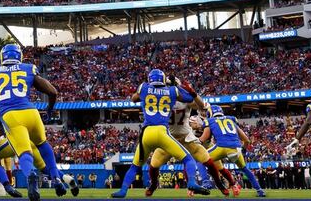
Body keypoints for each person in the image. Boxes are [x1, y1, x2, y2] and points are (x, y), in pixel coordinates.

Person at [0, 44, 70, 201]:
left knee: (24, 153)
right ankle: (56, 178)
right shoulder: (28, 68)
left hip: (11, 115)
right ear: (19, 56)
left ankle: (30, 174)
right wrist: (49, 111)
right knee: (43, 144)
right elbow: (53, 92)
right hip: (31, 112)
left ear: (2, 57)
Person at [111, 69, 210, 198]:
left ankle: (123, 191)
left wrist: (145, 93)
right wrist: (178, 86)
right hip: (162, 132)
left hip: (146, 133)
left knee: (134, 166)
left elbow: (134, 99)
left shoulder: (143, 87)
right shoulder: (172, 90)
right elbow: (189, 97)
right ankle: (191, 182)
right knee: (188, 159)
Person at [198, 105, 265, 197]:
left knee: (200, 160)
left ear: (210, 113)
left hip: (221, 147)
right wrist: (243, 150)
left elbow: (203, 138)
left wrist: (195, 142)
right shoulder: (231, 119)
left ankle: (206, 182)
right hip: (236, 149)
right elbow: (246, 140)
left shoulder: (210, 121)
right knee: (245, 169)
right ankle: (259, 190)